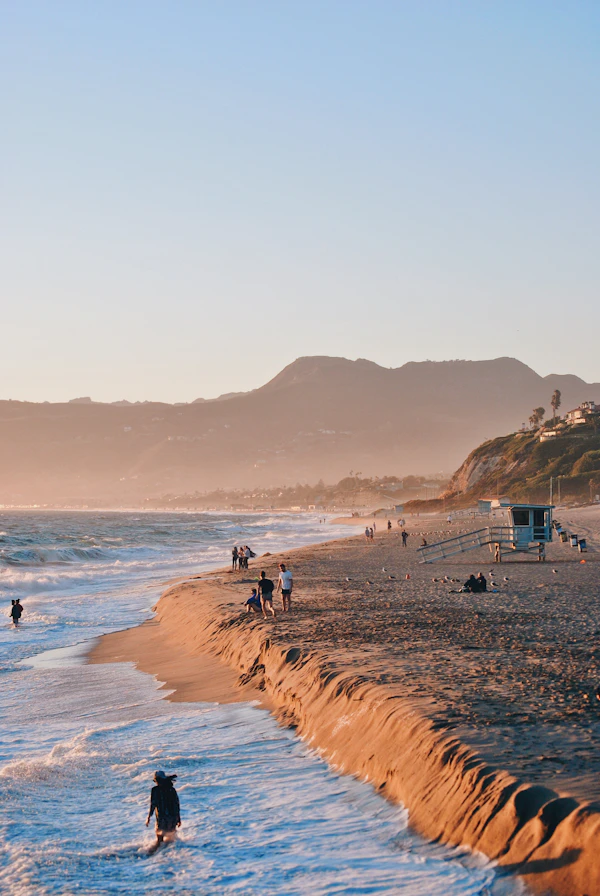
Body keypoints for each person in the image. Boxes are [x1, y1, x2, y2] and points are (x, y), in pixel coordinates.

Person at [146, 770, 181, 852]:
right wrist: (178, 818)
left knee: (161, 839)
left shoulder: (155, 790)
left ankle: (157, 855)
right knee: (171, 838)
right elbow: (176, 804)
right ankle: (168, 854)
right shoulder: (171, 789)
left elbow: (153, 804)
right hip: (170, 817)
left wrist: (149, 817)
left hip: (164, 818)